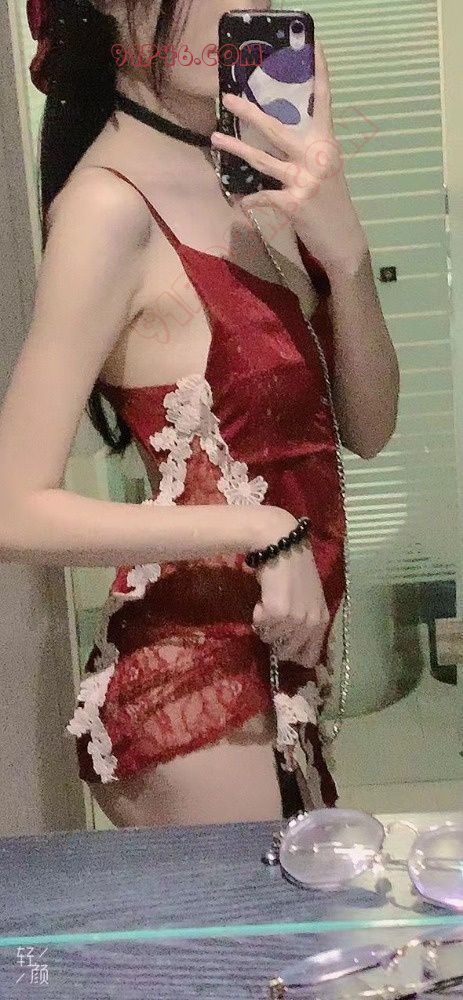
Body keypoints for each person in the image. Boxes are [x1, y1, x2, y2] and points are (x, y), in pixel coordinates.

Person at [0, 0, 399, 828]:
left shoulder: (253, 176)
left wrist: (347, 256)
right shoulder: (108, 209)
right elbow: (12, 509)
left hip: (284, 655)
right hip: (191, 679)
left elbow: (369, 427)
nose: (250, 7)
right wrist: (262, 529)